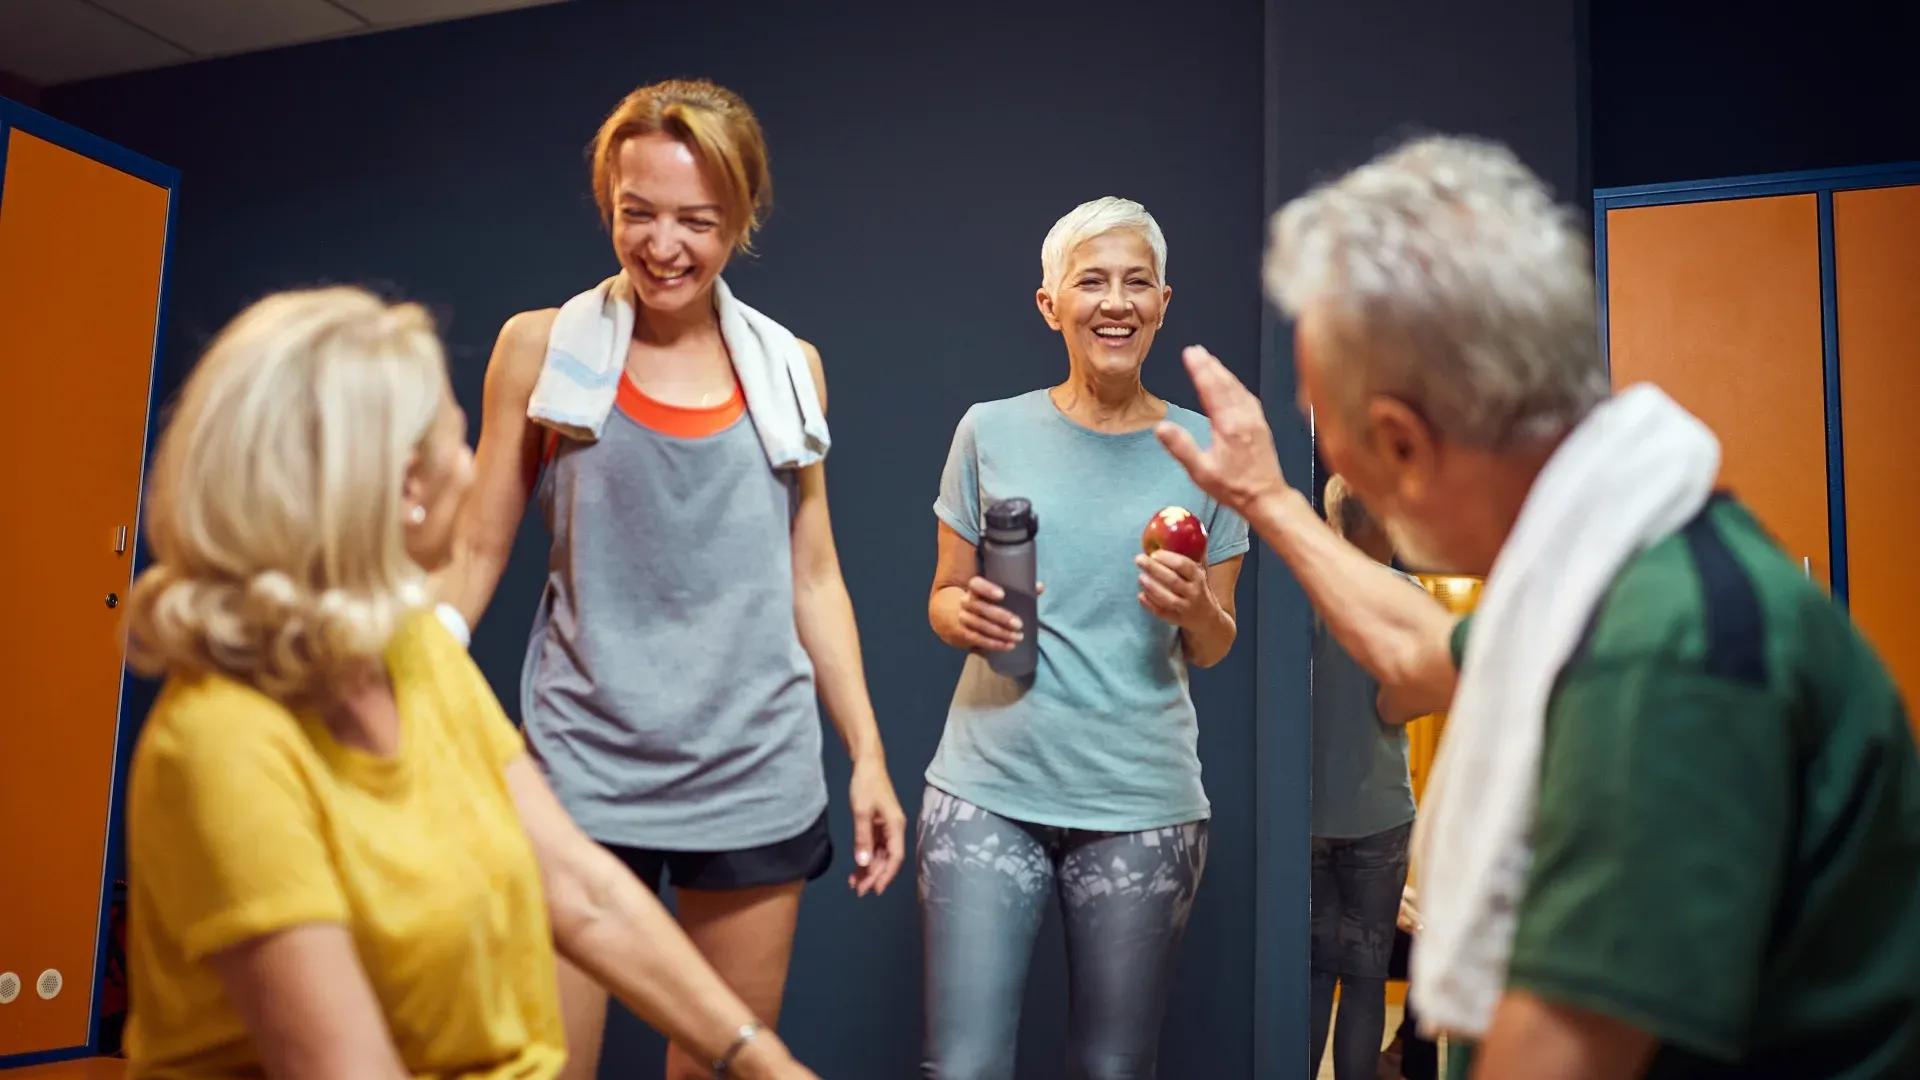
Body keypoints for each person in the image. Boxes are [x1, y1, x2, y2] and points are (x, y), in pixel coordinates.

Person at [1157, 135, 1920, 1079]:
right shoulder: (1610, 582)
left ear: (1400, 443)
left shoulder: (1660, 661)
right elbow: (1414, 648)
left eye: (1336, 439)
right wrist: (1267, 500)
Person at [120, 287, 819, 1079]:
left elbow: (580, 891)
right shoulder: (223, 748)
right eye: (456, 442)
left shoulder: (411, 654)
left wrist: (762, 1060)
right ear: (402, 493)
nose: (474, 464)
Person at [442, 80, 906, 1080]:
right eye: (637, 213)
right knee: (543, 1067)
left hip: (751, 770)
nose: (664, 246)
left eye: (697, 221)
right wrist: (412, 688)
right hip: (580, 764)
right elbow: (477, 549)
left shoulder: (791, 369)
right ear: (608, 201)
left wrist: (865, 753)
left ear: (740, 218)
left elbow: (814, 577)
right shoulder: (542, 350)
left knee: (720, 1066)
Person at [919, 196, 1250, 1080]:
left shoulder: (1206, 449)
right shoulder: (989, 430)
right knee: (963, 1069)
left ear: (1164, 303)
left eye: (1136, 283)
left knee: (1114, 1070)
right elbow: (943, 599)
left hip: (1142, 803)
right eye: (1092, 281)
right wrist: (968, 617)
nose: (1116, 302)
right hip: (988, 789)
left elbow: (1216, 642)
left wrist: (1193, 610)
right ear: (1050, 304)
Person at [1308, 476, 1420, 1080]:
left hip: (1308, 809)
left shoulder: (1302, 592)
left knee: (1313, 970)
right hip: (1378, 813)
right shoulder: (1404, 595)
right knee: (1366, 973)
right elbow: (1414, 698)